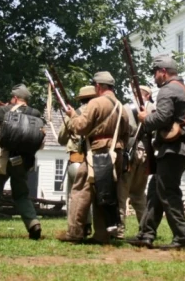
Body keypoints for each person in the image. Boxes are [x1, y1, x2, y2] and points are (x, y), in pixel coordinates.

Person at [128, 55, 185, 250]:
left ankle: (183, 237)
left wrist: (145, 118)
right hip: (182, 149)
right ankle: (146, 233)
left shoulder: (168, 90)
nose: (154, 77)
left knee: (168, 192)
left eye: (155, 73)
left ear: (163, 72)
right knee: (155, 190)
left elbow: (161, 118)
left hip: (173, 149)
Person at [61, 72, 130, 244]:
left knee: (80, 192)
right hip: (116, 153)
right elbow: (126, 134)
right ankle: (101, 235)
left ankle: (74, 233)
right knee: (105, 193)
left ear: (98, 87)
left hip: (97, 153)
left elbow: (81, 127)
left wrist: (72, 116)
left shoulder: (95, 102)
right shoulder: (122, 107)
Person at [0, 84, 43, 240]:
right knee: (21, 195)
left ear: (15, 98)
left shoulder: (5, 111)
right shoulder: (36, 113)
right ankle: (33, 223)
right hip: (23, 162)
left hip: (4, 159)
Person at [57, 85, 96, 238]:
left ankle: (75, 229)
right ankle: (88, 226)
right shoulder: (97, 113)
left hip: (76, 160)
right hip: (95, 162)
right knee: (91, 198)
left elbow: (61, 138)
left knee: (75, 198)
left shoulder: (75, 113)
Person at [116, 85, 152, 240]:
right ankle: (145, 229)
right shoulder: (155, 109)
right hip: (147, 155)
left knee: (121, 194)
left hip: (130, 154)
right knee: (138, 194)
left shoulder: (126, 108)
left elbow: (121, 129)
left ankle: (119, 231)